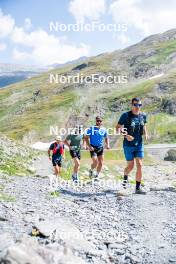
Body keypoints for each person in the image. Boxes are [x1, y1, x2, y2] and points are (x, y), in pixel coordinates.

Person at [116, 98, 149, 194]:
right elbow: (117, 128)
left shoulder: (143, 115)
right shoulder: (125, 115)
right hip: (128, 145)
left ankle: (138, 188)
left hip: (139, 144)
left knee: (140, 165)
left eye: (139, 105)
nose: (137, 107)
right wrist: (126, 135)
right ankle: (125, 179)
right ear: (131, 105)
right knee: (130, 166)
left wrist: (146, 133)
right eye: (135, 105)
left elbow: (144, 125)